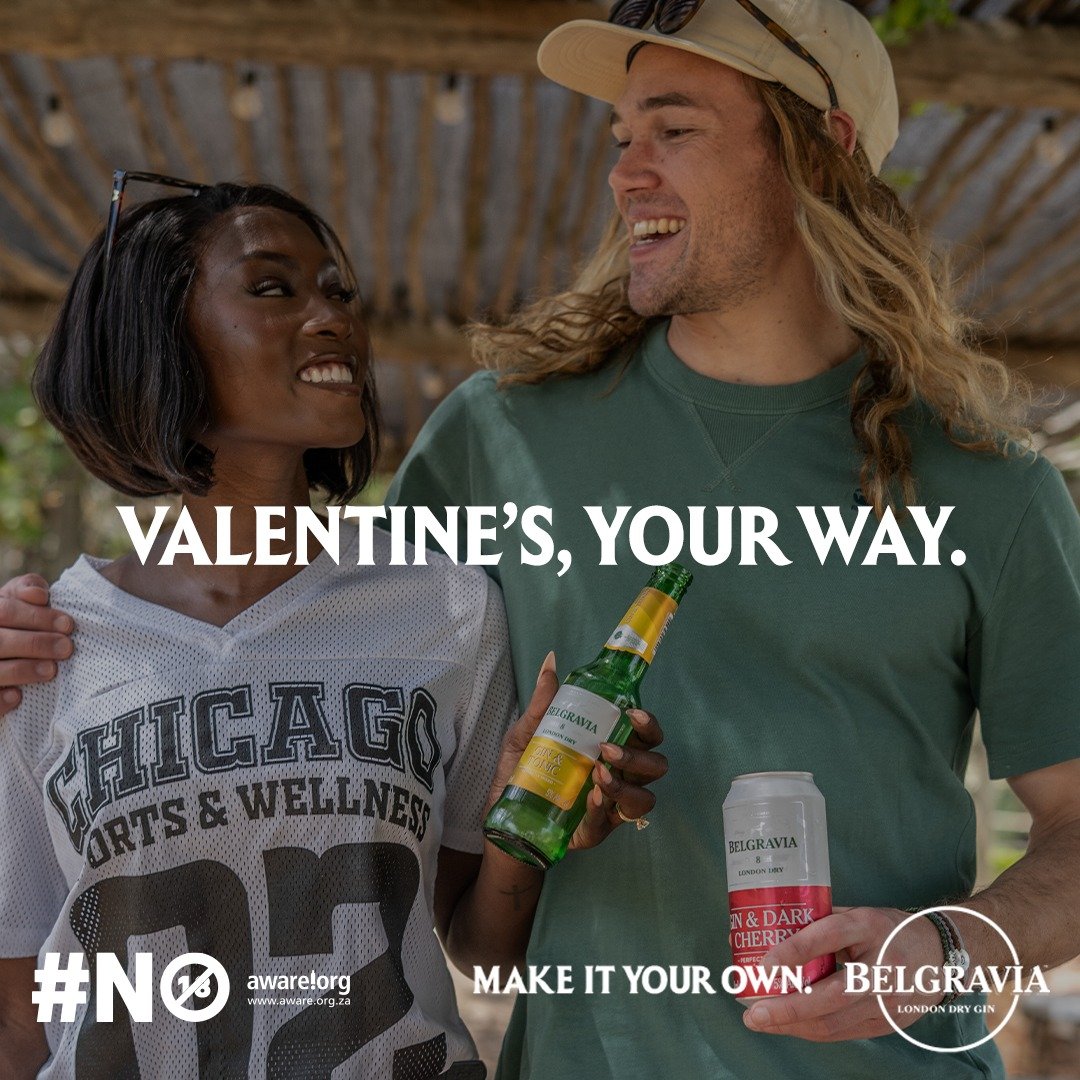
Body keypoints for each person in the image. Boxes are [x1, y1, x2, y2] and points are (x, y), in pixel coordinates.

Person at [3, 3, 1079, 1078]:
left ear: (823, 150)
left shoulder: (989, 488)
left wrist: (950, 948)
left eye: (674, 130)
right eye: (622, 137)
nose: (626, 174)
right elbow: (306, 653)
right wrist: (51, 646)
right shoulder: (498, 437)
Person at [0, 180, 667, 1079]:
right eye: (273, 288)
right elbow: (20, 1014)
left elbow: (484, 951)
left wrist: (532, 827)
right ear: (160, 338)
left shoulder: (447, 610)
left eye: (337, 291)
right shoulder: (45, 648)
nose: (333, 318)